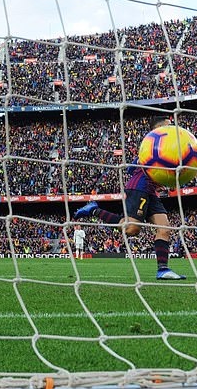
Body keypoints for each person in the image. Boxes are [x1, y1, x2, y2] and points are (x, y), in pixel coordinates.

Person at [74, 117, 186, 281]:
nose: (172, 129)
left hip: (151, 191)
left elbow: (132, 168)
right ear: (159, 128)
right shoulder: (152, 146)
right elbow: (131, 169)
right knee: (131, 230)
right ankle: (93, 209)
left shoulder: (166, 147)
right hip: (138, 188)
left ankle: (163, 270)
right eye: (168, 126)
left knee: (165, 228)